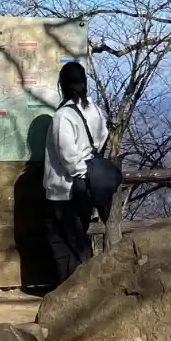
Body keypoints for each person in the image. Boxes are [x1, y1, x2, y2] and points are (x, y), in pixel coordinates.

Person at [43, 61, 111, 285]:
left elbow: (67, 155)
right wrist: (89, 173)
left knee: (63, 241)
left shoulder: (63, 116)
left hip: (65, 188)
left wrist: (80, 171)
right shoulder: (94, 110)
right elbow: (102, 138)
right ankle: (82, 287)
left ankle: (70, 290)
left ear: (62, 84)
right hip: (87, 187)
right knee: (79, 236)